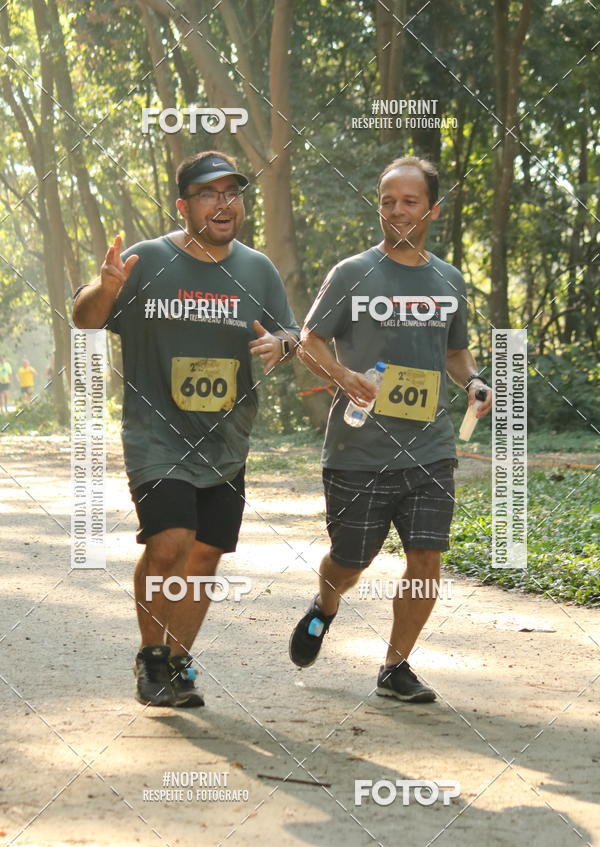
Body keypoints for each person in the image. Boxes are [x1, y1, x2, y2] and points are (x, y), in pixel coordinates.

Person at [73, 150, 299, 707]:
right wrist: (105, 289)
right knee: (170, 541)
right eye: (208, 193)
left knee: (204, 556)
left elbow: (292, 333)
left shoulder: (258, 269)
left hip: (227, 440)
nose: (224, 203)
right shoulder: (146, 261)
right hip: (157, 435)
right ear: (184, 205)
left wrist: (283, 344)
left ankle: (177, 661)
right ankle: (151, 660)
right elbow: (85, 318)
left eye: (232, 193)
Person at [289, 156, 492, 702]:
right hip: (359, 448)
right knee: (350, 560)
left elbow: (455, 352)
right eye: (387, 201)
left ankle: (395, 667)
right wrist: (344, 376)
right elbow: (309, 339)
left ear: (432, 209)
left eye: (409, 201)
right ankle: (324, 605)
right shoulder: (353, 273)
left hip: (430, 447)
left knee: (426, 558)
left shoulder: (448, 278)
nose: (397, 210)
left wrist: (473, 380)